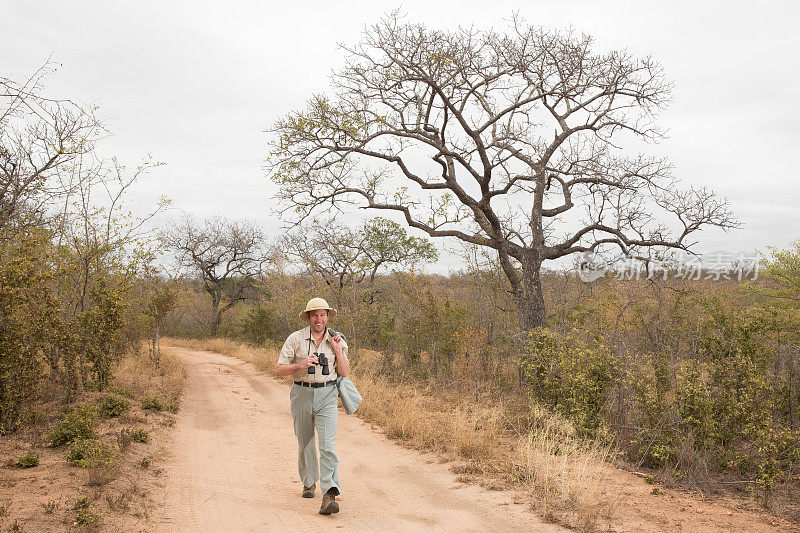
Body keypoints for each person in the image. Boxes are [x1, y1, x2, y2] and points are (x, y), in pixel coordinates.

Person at [275, 297, 350, 516]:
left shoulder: (337, 339)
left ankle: (329, 494)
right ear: (308, 317)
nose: (319, 319)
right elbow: (278, 370)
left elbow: (344, 372)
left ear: (328, 317)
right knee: (305, 442)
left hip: (327, 394)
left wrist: (337, 350)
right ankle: (309, 482)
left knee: (327, 445)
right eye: (315, 315)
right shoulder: (295, 338)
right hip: (301, 392)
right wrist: (300, 365)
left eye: (323, 315)